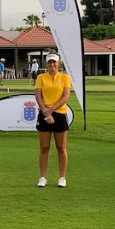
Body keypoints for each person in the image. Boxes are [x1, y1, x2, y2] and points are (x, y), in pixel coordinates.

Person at [34, 53, 71, 187]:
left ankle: (62, 177)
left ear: (58, 63)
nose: (52, 65)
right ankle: (43, 177)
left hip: (59, 113)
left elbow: (65, 97)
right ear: (46, 64)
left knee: (61, 147)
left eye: (54, 62)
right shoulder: (41, 77)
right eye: (49, 62)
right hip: (44, 113)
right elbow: (38, 96)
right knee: (44, 147)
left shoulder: (65, 77)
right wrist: (46, 111)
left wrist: (51, 110)